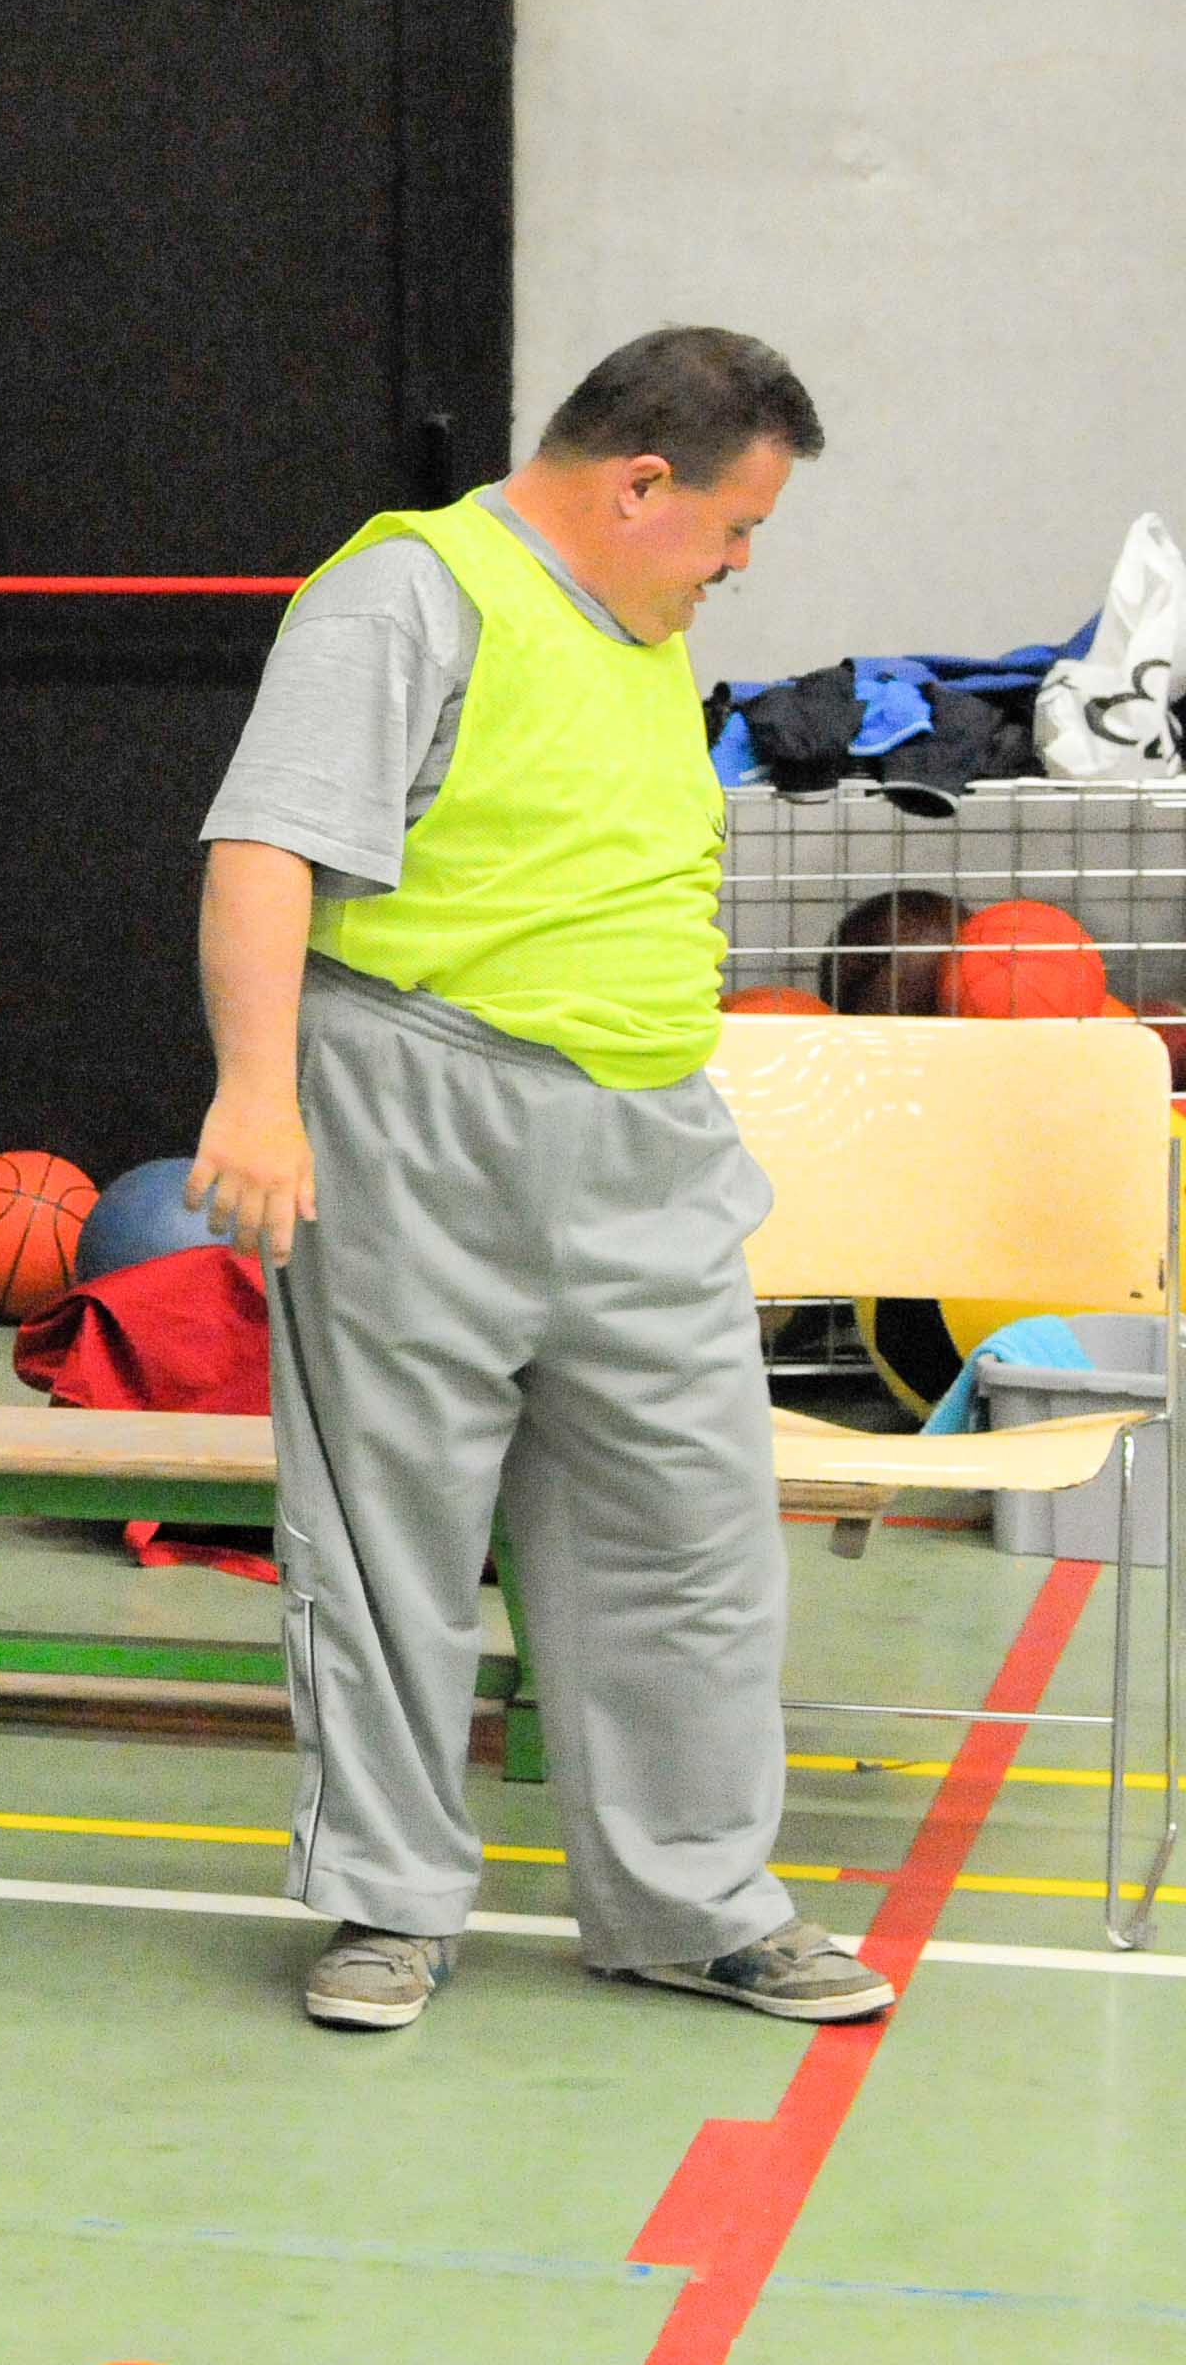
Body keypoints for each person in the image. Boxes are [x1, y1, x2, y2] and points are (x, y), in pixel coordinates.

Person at [187, 325, 891, 2035]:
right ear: (640, 484)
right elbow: (263, 846)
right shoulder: (404, 595)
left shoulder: (642, 625)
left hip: (643, 1135)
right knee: (389, 1541)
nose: (738, 563)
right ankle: (388, 1903)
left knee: (692, 1538)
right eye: (734, 525)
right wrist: (258, 1093)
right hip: (418, 1109)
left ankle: (689, 1903)